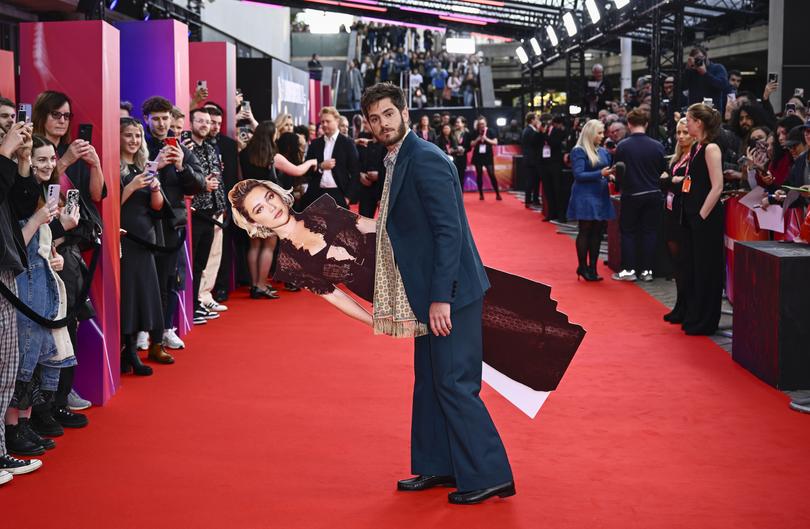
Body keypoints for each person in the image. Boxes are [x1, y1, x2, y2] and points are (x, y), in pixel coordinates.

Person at [32, 90, 103, 430]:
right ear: (42, 115)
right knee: (51, 328)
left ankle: (60, 396)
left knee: (70, 323)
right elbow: (36, 191)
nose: (63, 121)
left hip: (72, 247)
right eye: (57, 115)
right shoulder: (37, 151)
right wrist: (62, 162)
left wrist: (94, 164)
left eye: (67, 116)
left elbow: (95, 194)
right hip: (46, 247)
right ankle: (47, 404)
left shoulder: (71, 151)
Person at [5, 134, 76, 459]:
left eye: (51, 159)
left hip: (40, 285)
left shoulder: (39, 193)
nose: (48, 165)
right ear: (26, 161)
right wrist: (39, 221)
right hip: (21, 288)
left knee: (35, 357)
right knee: (20, 358)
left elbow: (41, 243)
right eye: (41, 160)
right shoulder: (16, 194)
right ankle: (13, 429)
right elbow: (15, 244)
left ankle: (25, 424)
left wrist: (55, 252)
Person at [142, 96, 205, 356]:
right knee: (144, 279)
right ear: (147, 119)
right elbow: (128, 177)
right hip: (142, 221)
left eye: (165, 118)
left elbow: (198, 184)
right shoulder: (139, 142)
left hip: (171, 222)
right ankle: (143, 330)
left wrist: (180, 166)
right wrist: (156, 165)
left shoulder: (180, 147)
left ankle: (165, 329)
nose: (160, 123)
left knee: (169, 279)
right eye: (155, 119)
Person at [0, 121, 45, 480]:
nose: (8, 126)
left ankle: (0, 449)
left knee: (7, 366)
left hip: (6, 270)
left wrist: (24, 160)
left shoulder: (7, 159)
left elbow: (19, 204)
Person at [239, 120, 318, 299]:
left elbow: (240, 178)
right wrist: (311, 161)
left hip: (249, 205)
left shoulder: (243, 154)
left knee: (254, 245)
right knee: (268, 246)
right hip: (269, 206)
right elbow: (297, 171)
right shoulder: (274, 156)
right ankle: (261, 285)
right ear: (271, 135)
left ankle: (254, 284)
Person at [119, 118, 162, 376]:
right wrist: (132, 186)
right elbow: (108, 206)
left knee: (140, 298)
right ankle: (125, 353)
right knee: (127, 298)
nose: (134, 140)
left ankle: (133, 351)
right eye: (128, 135)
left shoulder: (143, 167)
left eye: (137, 135)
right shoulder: (115, 168)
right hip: (123, 241)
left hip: (145, 242)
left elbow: (157, 207)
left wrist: (155, 189)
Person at [680, 103, 725, 335]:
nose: (686, 124)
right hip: (693, 216)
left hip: (706, 219)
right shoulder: (697, 147)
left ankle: (706, 321)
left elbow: (717, 187)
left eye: (688, 119)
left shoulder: (711, 149)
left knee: (707, 269)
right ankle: (695, 316)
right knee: (695, 269)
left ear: (699, 122)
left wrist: (701, 216)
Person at [611, 109, 666, 282]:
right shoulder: (657, 146)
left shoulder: (623, 146)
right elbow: (662, 170)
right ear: (646, 124)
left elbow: (618, 170)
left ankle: (629, 270)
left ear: (629, 124)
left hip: (632, 194)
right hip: (654, 193)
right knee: (650, 232)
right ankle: (647, 271)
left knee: (628, 232)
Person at [566, 119, 615, 281]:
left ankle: (592, 268)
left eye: (603, 132)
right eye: (599, 133)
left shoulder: (603, 151)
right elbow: (579, 175)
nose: (602, 136)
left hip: (600, 194)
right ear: (590, 133)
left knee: (597, 232)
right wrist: (601, 174)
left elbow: (605, 172)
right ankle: (582, 266)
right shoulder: (579, 151)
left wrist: (610, 176)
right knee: (585, 230)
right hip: (585, 196)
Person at [660, 118, 693, 323]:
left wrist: (669, 181)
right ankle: (680, 305)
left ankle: (685, 306)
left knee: (684, 263)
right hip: (670, 213)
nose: (681, 137)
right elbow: (662, 182)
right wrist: (670, 181)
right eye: (678, 133)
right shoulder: (675, 159)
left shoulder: (695, 158)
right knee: (677, 265)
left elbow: (685, 186)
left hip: (683, 216)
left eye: (685, 133)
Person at [303, 106, 360, 209]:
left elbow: (355, 172)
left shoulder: (347, 143)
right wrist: (320, 166)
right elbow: (307, 171)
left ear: (337, 121)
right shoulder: (315, 144)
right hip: (317, 193)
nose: (324, 124)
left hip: (339, 194)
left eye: (328, 121)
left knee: (337, 225)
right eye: (322, 122)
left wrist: (347, 197)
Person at [683, 46, 731, 112]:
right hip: (695, 111)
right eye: (695, 59)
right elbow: (682, 86)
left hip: (712, 111)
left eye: (699, 58)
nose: (698, 61)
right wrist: (687, 68)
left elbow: (723, 85)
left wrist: (705, 73)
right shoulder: (692, 71)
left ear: (706, 57)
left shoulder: (717, 68)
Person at [538, 114, 567, 221]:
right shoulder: (540, 132)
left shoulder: (557, 131)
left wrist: (545, 134)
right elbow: (536, 144)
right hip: (544, 163)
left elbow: (554, 143)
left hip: (555, 163)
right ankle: (551, 213)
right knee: (548, 189)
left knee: (557, 189)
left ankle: (561, 214)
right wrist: (540, 133)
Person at [470, 117, 501, 200]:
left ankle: (497, 193)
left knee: (491, 174)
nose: (481, 125)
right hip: (478, 155)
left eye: (483, 124)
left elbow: (495, 142)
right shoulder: (475, 132)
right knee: (479, 174)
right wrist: (477, 139)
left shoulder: (490, 131)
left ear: (486, 123)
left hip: (488, 155)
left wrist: (486, 139)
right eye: (480, 124)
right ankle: (481, 194)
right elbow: (471, 144)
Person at [520, 112, 541, 208]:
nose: (537, 120)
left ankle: (533, 199)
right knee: (531, 180)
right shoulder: (529, 131)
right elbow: (534, 142)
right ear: (532, 120)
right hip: (531, 160)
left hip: (530, 159)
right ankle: (529, 200)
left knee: (533, 180)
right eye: (536, 118)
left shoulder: (527, 130)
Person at [451, 116, 470, 190]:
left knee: (461, 176)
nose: (457, 124)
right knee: (453, 176)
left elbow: (469, 147)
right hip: (453, 157)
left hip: (462, 157)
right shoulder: (452, 132)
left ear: (463, 123)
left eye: (458, 122)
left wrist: (464, 149)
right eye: (456, 122)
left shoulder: (467, 133)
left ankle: (461, 195)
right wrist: (454, 149)